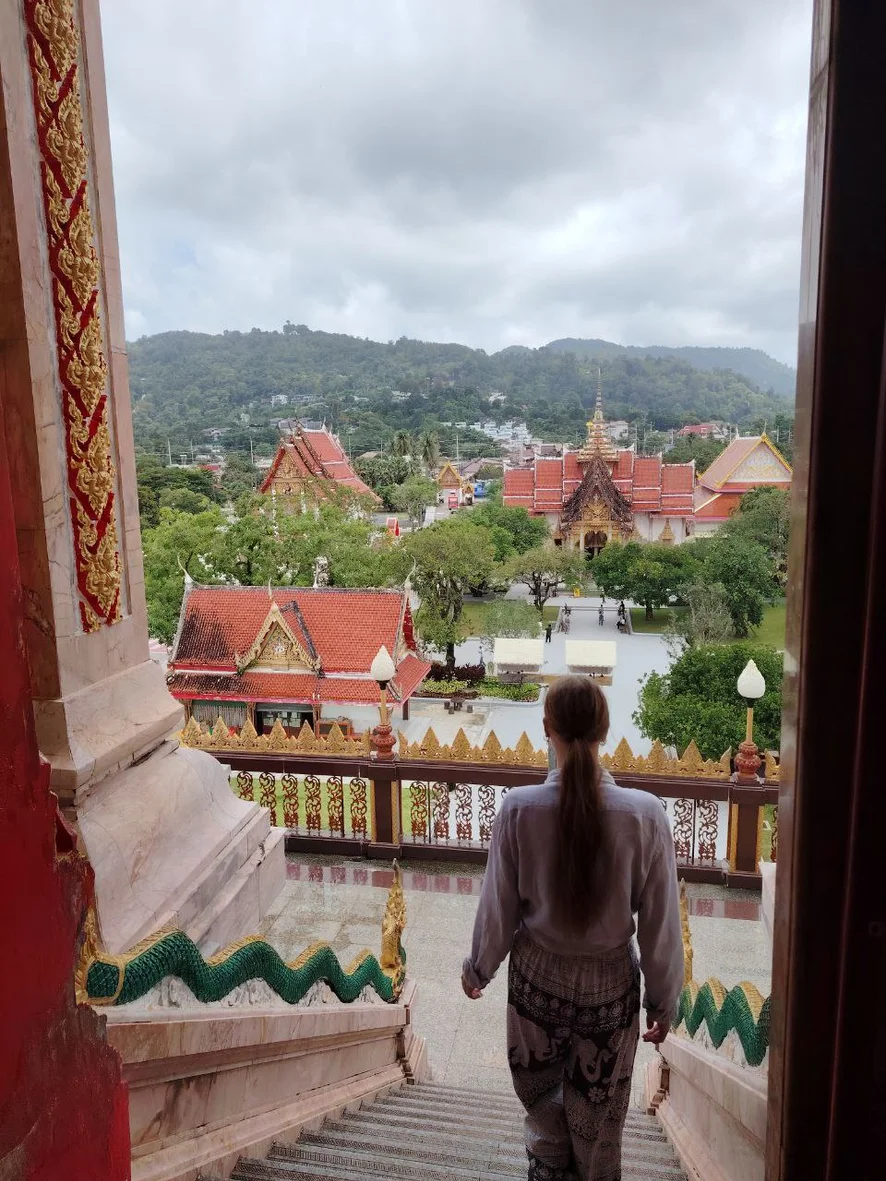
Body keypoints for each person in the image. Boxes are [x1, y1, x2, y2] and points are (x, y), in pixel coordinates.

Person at [461, 676, 683, 1181]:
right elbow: (660, 923)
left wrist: (478, 967)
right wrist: (663, 1001)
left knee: (544, 1107)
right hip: (611, 985)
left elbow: (499, 905)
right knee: (599, 1119)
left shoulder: (519, 809)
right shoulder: (646, 815)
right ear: (605, 730)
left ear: (547, 728)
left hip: (536, 981)